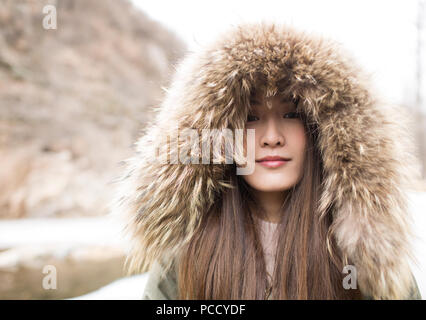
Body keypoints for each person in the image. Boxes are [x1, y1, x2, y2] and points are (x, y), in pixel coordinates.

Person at [112, 21, 422, 299]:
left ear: (320, 133)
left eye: (290, 114)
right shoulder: (185, 253)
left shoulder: (364, 257)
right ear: (222, 136)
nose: (271, 136)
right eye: (251, 117)